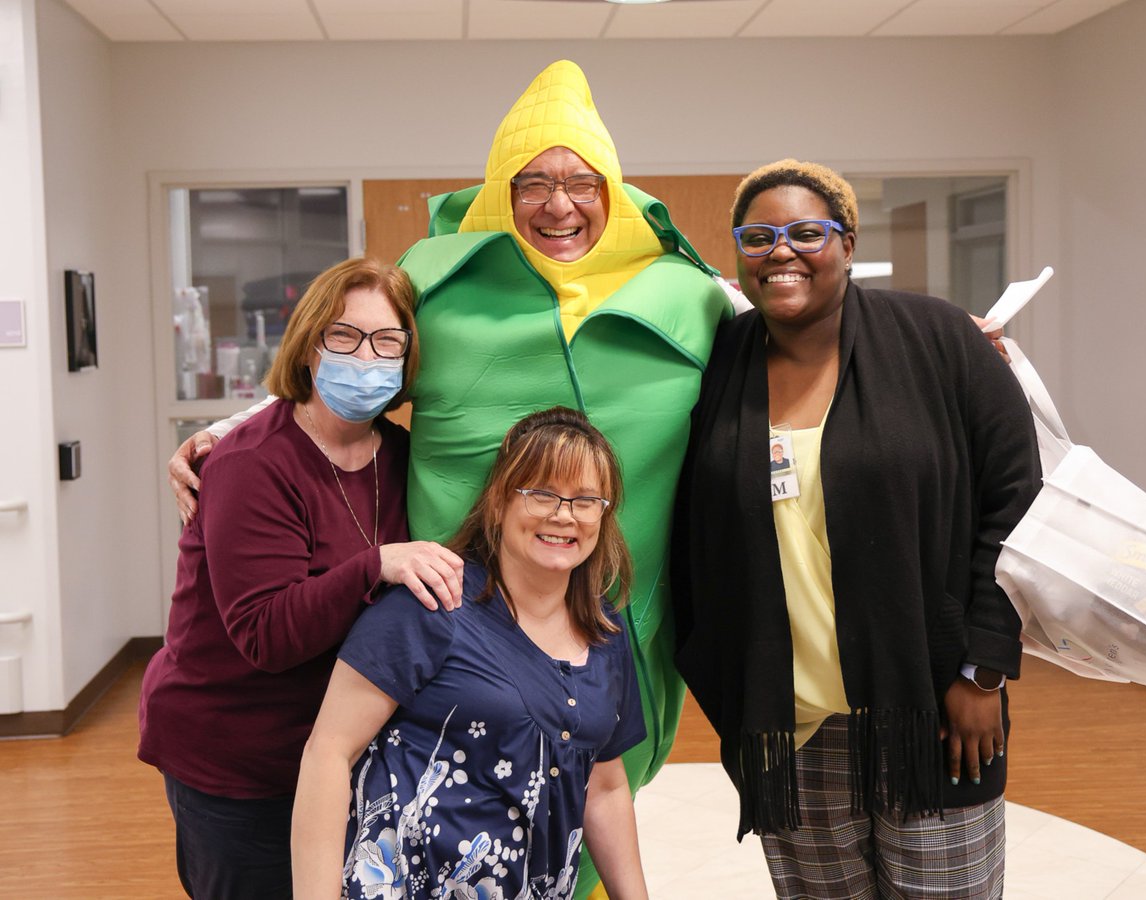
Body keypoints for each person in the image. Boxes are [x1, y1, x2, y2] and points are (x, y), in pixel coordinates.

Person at [167, 60, 731, 898]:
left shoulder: (693, 297)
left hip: (603, 622)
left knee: (586, 798)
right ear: (499, 194)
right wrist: (228, 429)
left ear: (614, 189)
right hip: (439, 624)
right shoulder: (436, 281)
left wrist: (942, 340)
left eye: (580, 182)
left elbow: (803, 350)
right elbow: (354, 340)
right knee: (418, 809)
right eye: (531, 182)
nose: (558, 203)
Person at [671, 160, 1041, 899]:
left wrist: (985, 670)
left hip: (933, 707)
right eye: (758, 236)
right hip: (789, 721)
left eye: (807, 232)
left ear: (846, 241)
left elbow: (1019, 504)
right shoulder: (718, 364)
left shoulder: (938, 340)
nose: (782, 251)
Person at [139, 257, 465, 900]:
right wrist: (377, 564)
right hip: (239, 755)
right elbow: (266, 635)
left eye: (386, 340)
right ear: (309, 346)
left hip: (341, 754)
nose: (365, 356)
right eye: (342, 336)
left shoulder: (402, 457)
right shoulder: (251, 463)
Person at [292, 407, 649, 900]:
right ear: (499, 503)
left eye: (586, 500)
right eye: (541, 493)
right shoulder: (432, 604)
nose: (564, 514)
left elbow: (605, 790)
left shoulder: (605, 633)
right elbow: (328, 752)